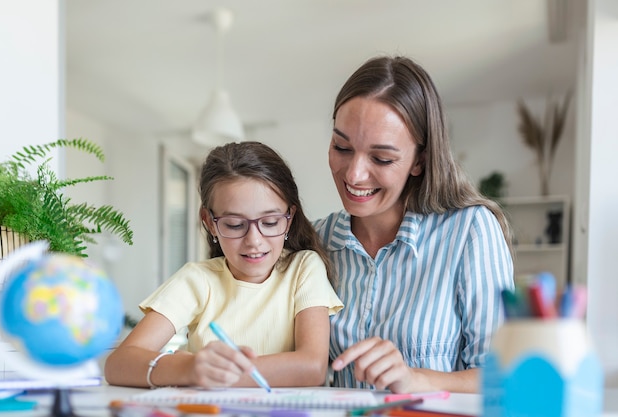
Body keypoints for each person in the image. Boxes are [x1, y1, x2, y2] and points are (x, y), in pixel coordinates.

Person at [314, 55, 514, 394]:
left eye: (382, 158)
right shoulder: (314, 240)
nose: (353, 174)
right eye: (342, 147)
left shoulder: (470, 232)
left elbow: (505, 378)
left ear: (419, 161)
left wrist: (416, 379)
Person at [105, 141, 343, 389]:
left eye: (270, 222)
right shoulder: (197, 280)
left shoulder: (303, 268)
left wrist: (212, 376)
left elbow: (311, 368)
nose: (254, 241)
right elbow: (118, 364)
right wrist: (189, 369)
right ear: (209, 223)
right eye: (235, 225)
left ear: (289, 217)